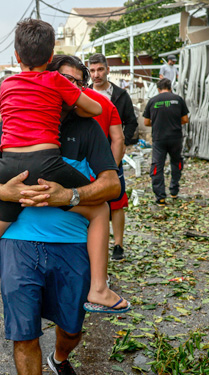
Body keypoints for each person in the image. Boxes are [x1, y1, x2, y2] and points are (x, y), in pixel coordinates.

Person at [0, 19, 129, 336]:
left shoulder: (8, 86)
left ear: (16, 55)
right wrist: (73, 96)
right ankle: (99, 289)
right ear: (51, 56)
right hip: (46, 161)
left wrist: (7, 190)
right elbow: (95, 108)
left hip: (13, 165)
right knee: (101, 210)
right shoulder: (56, 83)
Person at [0, 96, 121, 374]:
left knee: (72, 330)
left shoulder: (87, 128)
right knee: (24, 336)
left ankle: (59, 358)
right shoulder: (14, 124)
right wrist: (2, 191)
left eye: (74, 85)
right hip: (18, 244)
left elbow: (112, 186)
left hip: (72, 245)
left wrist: (70, 195)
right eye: (61, 82)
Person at [89, 53, 139, 261]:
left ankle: (118, 244)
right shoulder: (83, 94)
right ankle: (93, 244)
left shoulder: (120, 95)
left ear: (108, 70)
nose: (96, 74)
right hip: (90, 155)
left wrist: (122, 142)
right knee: (90, 199)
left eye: (100, 69)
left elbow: (132, 122)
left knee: (117, 201)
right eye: (92, 70)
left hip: (113, 156)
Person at [143, 78, 189, 206]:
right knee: (176, 162)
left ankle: (161, 198)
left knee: (158, 166)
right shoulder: (178, 99)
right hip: (175, 138)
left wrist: (158, 122)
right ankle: (174, 191)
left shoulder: (152, 101)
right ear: (170, 87)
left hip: (159, 139)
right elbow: (185, 119)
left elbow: (146, 122)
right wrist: (173, 121)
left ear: (158, 89)